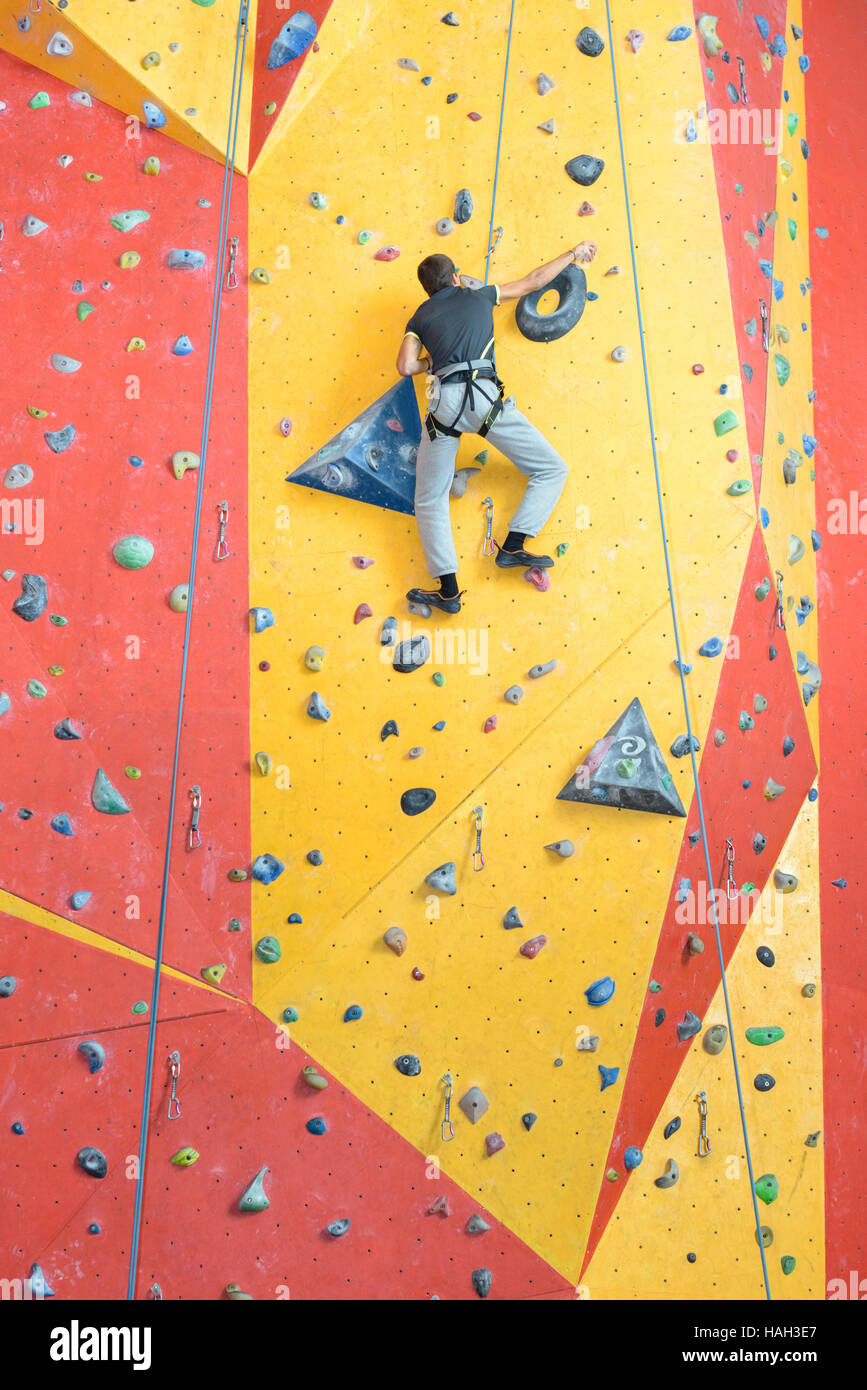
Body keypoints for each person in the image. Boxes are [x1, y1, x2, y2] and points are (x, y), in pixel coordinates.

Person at [396, 242, 597, 614]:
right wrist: (573, 253)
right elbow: (533, 281)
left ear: (428, 289)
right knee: (552, 468)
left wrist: (432, 362)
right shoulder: (481, 295)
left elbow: (406, 367)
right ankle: (514, 544)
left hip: (445, 406)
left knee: (429, 497)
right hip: (484, 398)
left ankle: (449, 590)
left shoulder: (419, 317)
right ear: (456, 277)